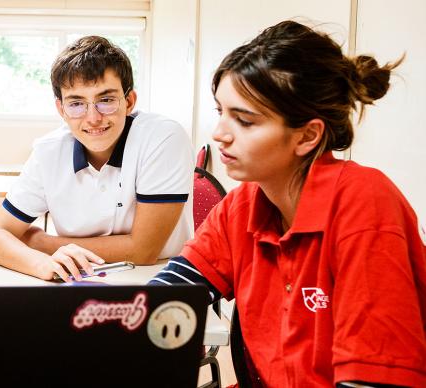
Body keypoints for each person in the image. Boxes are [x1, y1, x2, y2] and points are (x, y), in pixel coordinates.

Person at [150, 21, 425, 386]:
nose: (219, 134)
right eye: (221, 112)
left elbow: (374, 380)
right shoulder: (244, 204)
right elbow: (174, 290)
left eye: (244, 121)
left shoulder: (364, 203)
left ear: (308, 135)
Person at [0, 36, 194, 282]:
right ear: (61, 109)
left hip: (159, 281)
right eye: (76, 103)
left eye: (106, 100)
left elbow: (143, 251)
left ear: (129, 101)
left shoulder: (163, 137)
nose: (92, 118)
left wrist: (41, 242)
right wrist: (41, 263)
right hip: (80, 282)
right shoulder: (48, 152)